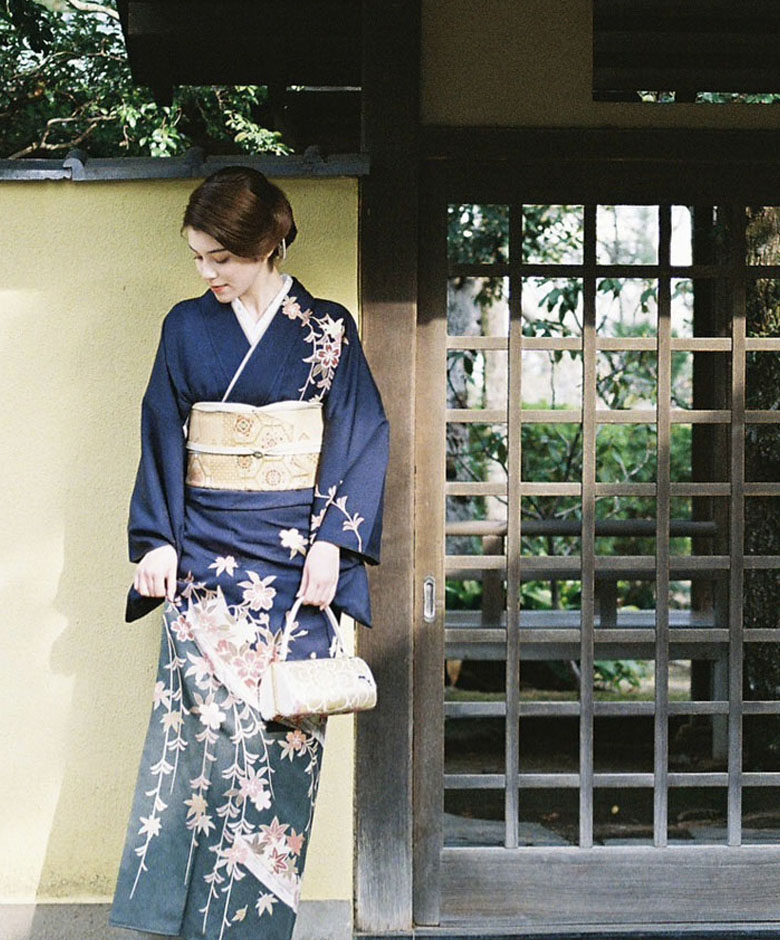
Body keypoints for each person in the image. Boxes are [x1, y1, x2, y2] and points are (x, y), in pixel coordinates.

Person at [110, 167, 389, 940]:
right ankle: (180, 925)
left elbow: (361, 432)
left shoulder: (328, 328)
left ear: (266, 244)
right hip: (203, 565)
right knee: (196, 751)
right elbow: (163, 428)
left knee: (280, 751)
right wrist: (157, 538)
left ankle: (253, 927)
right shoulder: (185, 327)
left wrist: (337, 539)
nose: (207, 273)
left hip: (298, 569)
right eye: (197, 257)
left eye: (220, 259)